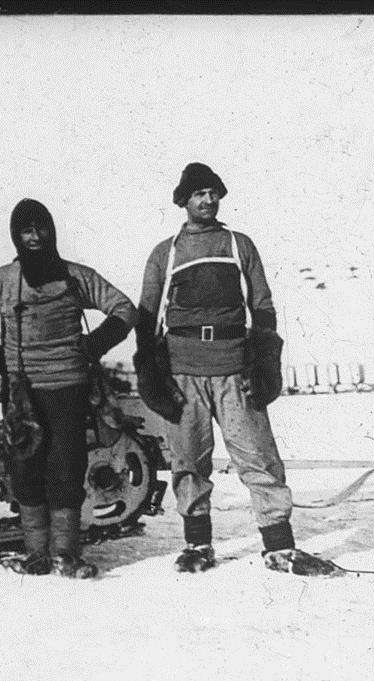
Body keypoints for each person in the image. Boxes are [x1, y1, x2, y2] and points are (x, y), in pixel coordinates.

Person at [134, 163, 335, 576]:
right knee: (188, 460)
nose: (207, 200)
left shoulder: (238, 244)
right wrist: (150, 372)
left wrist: (265, 362)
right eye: (198, 194)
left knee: (258, 457)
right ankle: (197, 545)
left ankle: (279, 547)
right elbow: (147, 316)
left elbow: (261, 305)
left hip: (234, 369)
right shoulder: (165, 253)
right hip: (182, 372)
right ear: (183, 201)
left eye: (213, 192)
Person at [0, 199, 136, 577]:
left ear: (52, 231)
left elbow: (124, 308)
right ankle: (36, 554)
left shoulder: (75, 276)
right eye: (25, 230)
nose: (34, 237)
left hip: (68, 386)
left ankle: (64, 555)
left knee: (67, 468)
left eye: (41, 228)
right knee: (25, 470)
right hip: (21, 391)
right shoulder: (2, 280)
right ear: (15, 236)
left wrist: (94, 344)